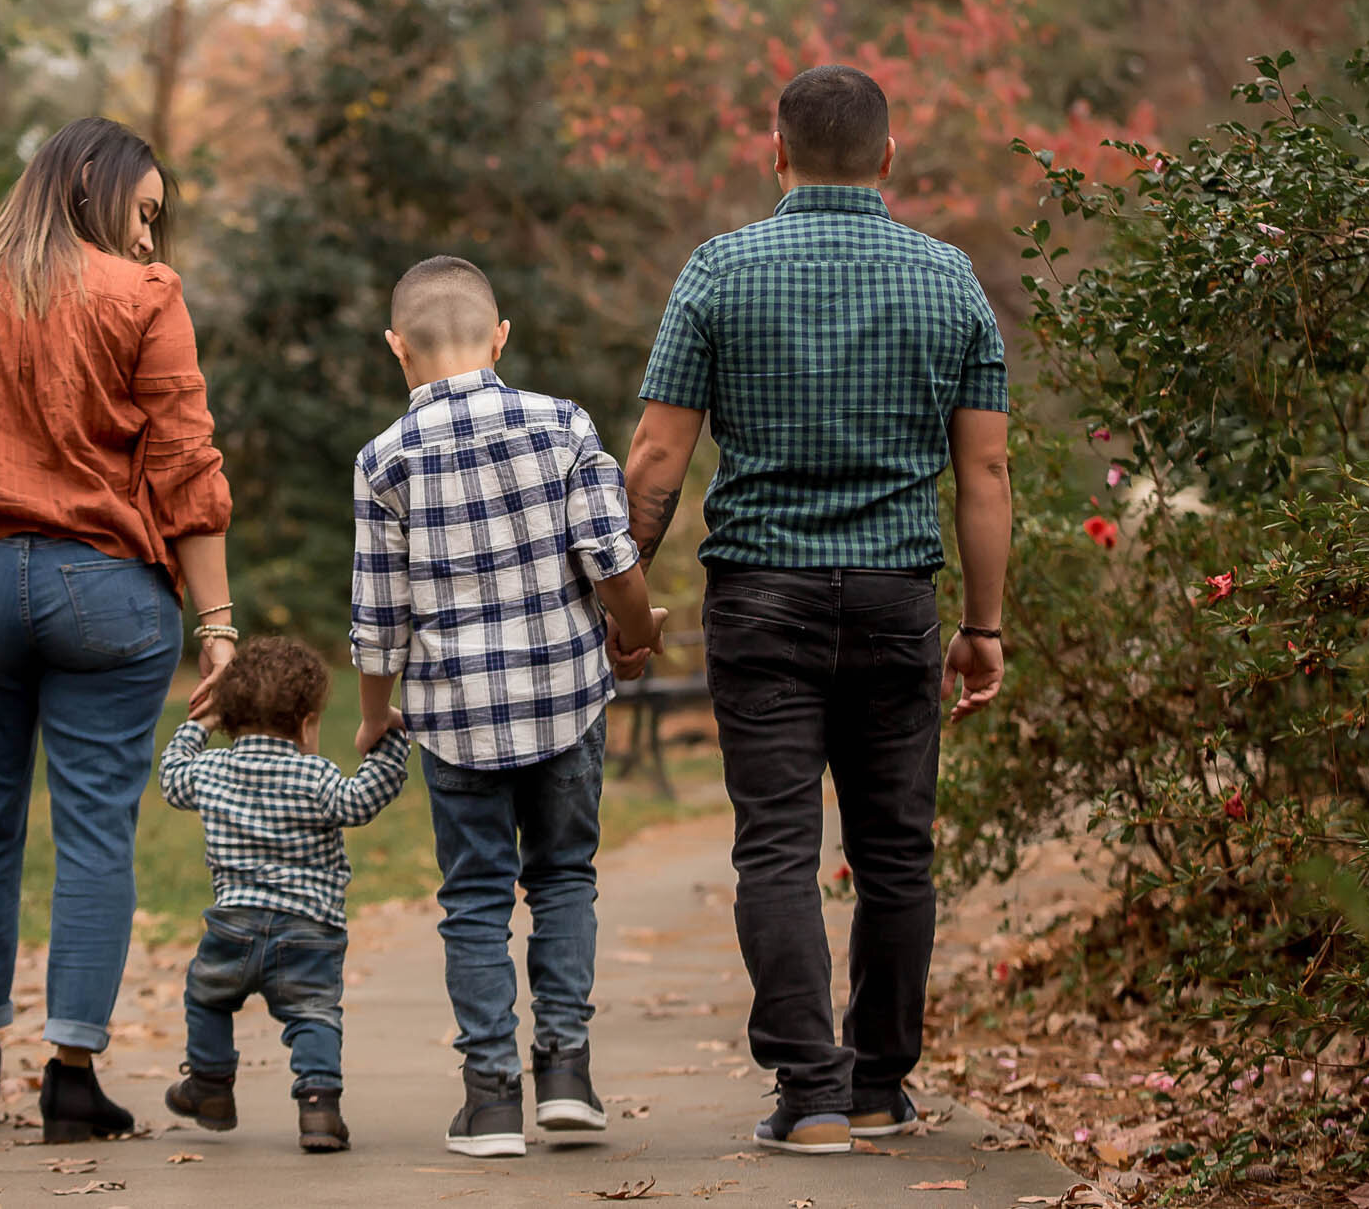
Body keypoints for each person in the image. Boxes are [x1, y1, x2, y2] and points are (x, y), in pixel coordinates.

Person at [621, 66, 1013, 1155]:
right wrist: (980, 627)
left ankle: (810, 1096)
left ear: (773, 151)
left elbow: (657, 454)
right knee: (896, 853)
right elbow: (983, 478)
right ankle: (881, 1084)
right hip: (897, 597)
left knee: (776, 852)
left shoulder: (718, 270)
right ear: (887, 157)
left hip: (763, 595)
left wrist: (620, 600)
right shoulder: (950, 281)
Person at [0, 117, 238, 1144]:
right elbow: (184, 464)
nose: (152, 242)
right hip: (103, 590)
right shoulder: (143, 300)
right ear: (94, 187)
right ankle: (72, 1079)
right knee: (92, 834)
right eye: (145, 211)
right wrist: (217, 621)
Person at [350, 256, 667, 1158]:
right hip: (565, 699)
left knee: (476, 898)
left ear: (396, 349)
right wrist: (636, 633)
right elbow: (612, 558)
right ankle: (566, 1072)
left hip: (454, 720)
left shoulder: (384, 461)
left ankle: (490, 1098)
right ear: (500, 337)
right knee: (564, 876)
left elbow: (379, 617)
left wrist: (376, 712)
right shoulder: (562, 425)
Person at [157, 636, 412, 1153]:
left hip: (232, 926)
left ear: (227, 719)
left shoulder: (209, 771)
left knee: (207, 997)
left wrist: (197, 727)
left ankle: (209, 1086)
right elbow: (361, 800)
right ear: (304, 724)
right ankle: (319, 1109)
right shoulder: (315, 776)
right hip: (309, 931)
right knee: (314, 1014)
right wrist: (390, 744)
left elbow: (170, 777)